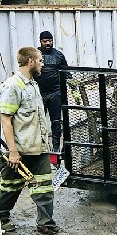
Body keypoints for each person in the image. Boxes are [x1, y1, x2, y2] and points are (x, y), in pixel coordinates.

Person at [0, 47, 64, 234]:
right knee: (10, 188)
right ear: (31, 61)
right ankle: (2, 216)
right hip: (20, 151)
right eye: (40, 61)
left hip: (39, 147)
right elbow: (5, 119)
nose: (42, 64)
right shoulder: (13, 85)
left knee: (44, 188)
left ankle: (45, 224)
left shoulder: (33, 84)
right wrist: (12, 151)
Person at [35, 31, 71, 153]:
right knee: (38, 121)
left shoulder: (58, 55)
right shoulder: (36, 55)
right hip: (39, 94)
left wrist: (74, 89)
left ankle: (56, 147)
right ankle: (40, 147)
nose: (48, 43)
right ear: (40, 42)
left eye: (50, 41)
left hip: (55, 93)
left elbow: (67, 74)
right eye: (45, 41)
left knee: (56, 122)